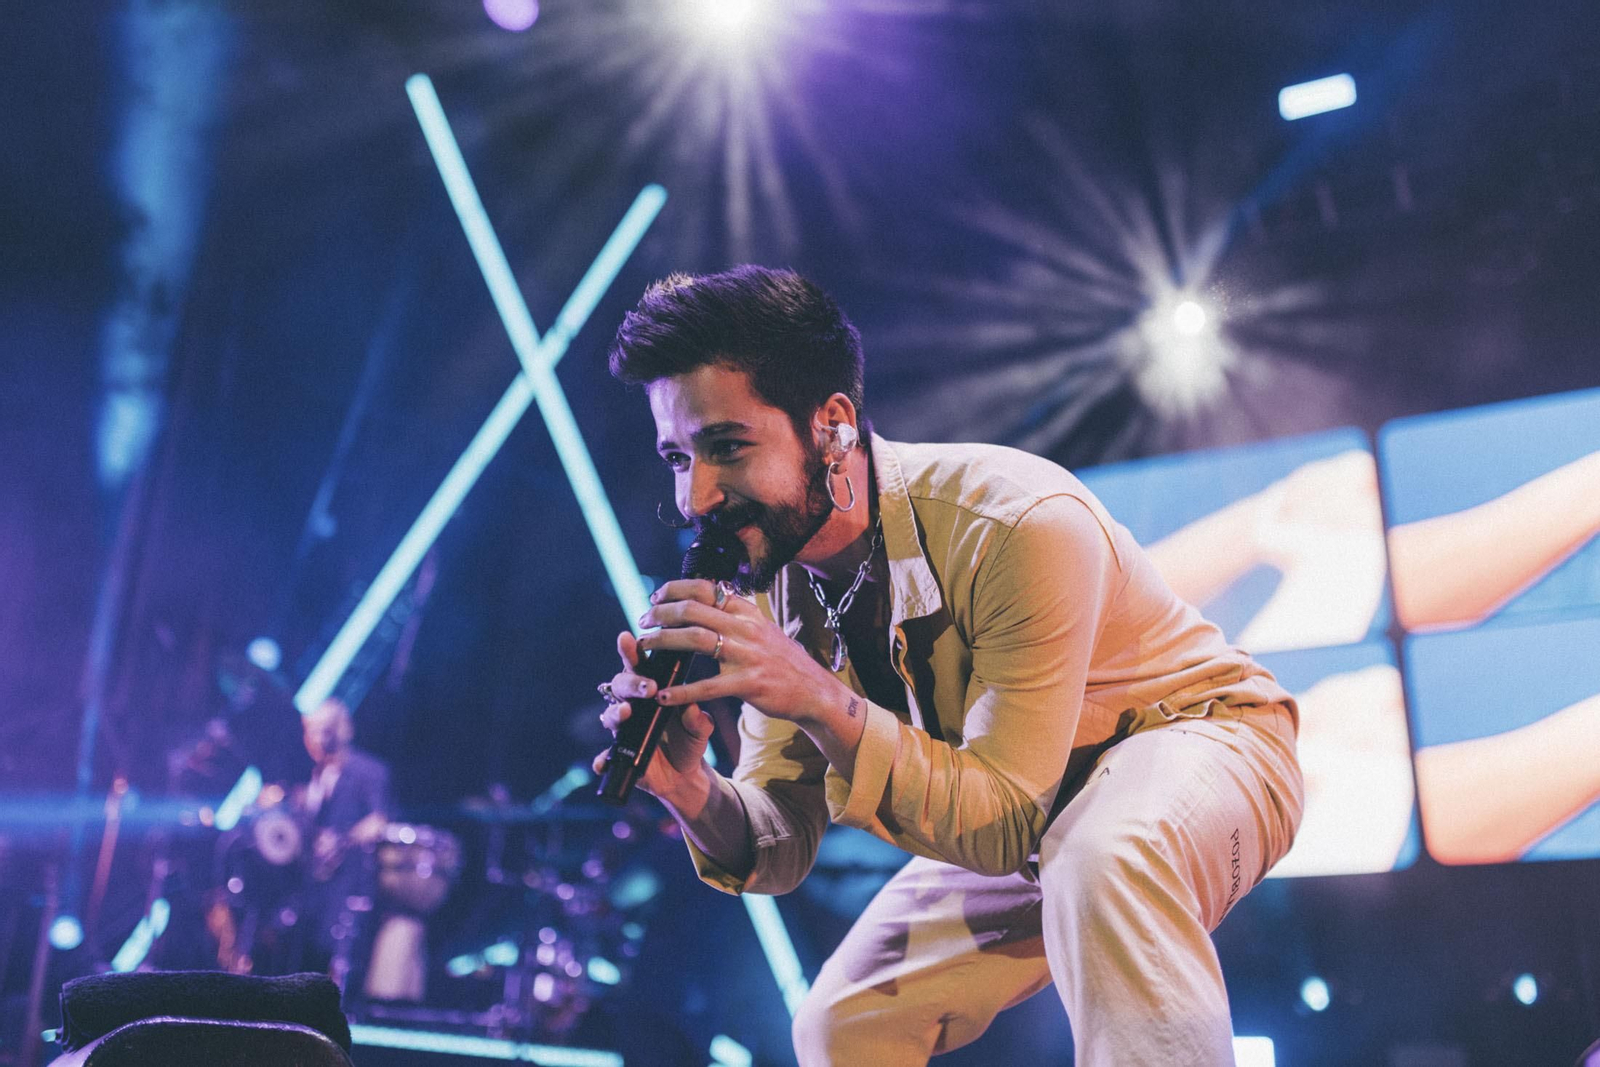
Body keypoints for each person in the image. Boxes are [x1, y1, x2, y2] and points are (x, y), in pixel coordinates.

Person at [592, 266, 1304, 1065]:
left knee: (1105, 855)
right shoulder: (774, 581)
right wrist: (692, 789)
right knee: (841, 1020)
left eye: (726, 447)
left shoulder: (1017, 522)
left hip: (1210, 739)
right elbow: (779, 841)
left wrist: (820, 698)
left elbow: (1004, 820)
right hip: (1042, 818)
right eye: (678, 458)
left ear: (831, 426)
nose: (696, 498)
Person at [294, 697, 390, 990]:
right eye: (311, 731)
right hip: (310, 883)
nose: (315, 739)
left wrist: (342, 840)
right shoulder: (312, 775)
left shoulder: (368, 771)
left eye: (323, 730)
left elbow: (379, 820)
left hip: (348, 881)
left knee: (337, 955)